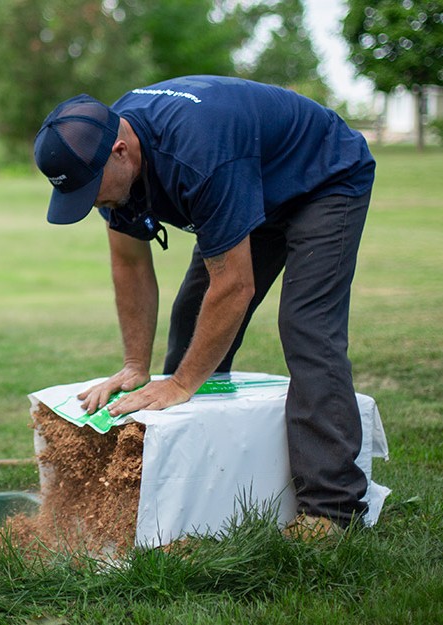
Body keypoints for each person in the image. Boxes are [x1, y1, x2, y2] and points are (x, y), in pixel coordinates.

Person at [34, 76, 375, 539]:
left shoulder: (196, 152)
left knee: (306, 327)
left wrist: (180, 383)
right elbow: (130, 264)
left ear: (120, 151)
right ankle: (203, 491)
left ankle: (333, 510)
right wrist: (137, 366)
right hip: (251, 178)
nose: (93, 201)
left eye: (91, 188)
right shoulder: (99, 148)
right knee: (191, 320)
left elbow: (234, 286)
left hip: (323, 177)